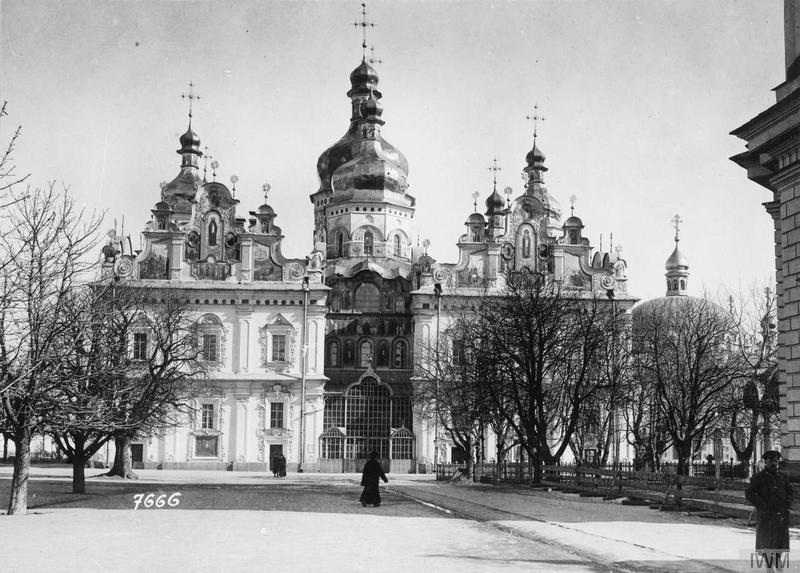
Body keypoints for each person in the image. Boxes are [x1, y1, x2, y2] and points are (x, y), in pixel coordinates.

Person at [745, 450, 793, 562]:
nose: (774, 463)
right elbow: (749, 493)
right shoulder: (759, 477)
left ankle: (777, 562)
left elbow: (791, 491)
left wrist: (787, 503)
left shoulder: (782, 476)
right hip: (766, 515)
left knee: (781, 540)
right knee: (767, 541)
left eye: (776, 461)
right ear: (765, 461)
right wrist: (762, 505)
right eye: (771, 461)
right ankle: (769, 566)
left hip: (781, 514)